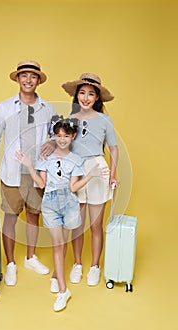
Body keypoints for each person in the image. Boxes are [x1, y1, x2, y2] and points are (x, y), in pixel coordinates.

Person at [15, 116, 109, 311]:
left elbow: (74, 187)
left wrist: (91, 175)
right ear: (53, 136)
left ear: (73, 136)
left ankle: (57, 278)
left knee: (62, 243)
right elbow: (41, 184)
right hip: (50, 205)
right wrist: (29, 166)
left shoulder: (76, 160)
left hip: (69, 204)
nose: (62, 139)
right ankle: (63, 291)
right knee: (57, 244)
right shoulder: (45, 158)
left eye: (66, 136)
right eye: (58, 136)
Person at [0, 60, 57, 286]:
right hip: (12, 172)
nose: (28, 80)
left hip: (36, 172)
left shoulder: (47, 109)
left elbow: (58, 134)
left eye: (32, 76)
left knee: (34, 216)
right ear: (17, 79)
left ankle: (31, 257)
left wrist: (53, 143)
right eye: (23, 76)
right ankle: (10, 264)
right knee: (11, 217)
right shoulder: (5, 107)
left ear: (38, 81)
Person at [61, 72, 120, 286]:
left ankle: (95, 266)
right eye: (82, 93)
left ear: (97, 98)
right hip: (76, 171)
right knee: (77, 223)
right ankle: (77, 263)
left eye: (91, 94)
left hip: (97, 169)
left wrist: (112, 175)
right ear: (76, 96)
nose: (86, 98)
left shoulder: (105, 120)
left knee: (96, 225)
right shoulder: (70, 120)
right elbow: (63, 146)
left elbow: (113, 149)